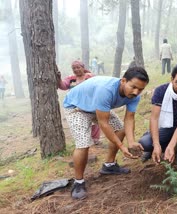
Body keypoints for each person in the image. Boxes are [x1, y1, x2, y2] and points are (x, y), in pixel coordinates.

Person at [63, 67, 149, 199]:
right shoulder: (106, 90)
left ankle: (109, 165)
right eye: (133, 87)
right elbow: (104, 123)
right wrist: (121, 147)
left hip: (97, 107)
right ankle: (78, 181)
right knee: (83, 143)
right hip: (77, 107)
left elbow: (129, 118)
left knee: (120, 128)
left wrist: (131, 142)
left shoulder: (134, 95)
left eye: (140, 89)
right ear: (123, 81)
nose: (136, 92)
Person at [57, 60, 101, 144]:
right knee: (81, 122)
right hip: (76, 105)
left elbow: (98, 86)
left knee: (95, 120)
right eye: (74, 68)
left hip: (90, 103)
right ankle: (85, 139)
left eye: (78, 67)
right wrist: (59, 78)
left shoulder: (90, 76)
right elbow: (63, 86)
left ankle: (95, 139)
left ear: (83, 68)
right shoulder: (71, 78)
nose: (76, 69)